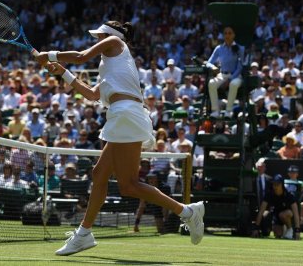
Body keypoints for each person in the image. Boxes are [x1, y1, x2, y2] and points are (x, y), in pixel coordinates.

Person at [36, 20, 204, 255]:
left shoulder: (116, 42)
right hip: (121, 115)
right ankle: (84, 233)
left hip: (126, 115)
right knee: (99, 174)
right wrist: (62, 71)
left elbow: (81, 56)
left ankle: (187, 212)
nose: (97, 39)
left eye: (99, 36)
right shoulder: (110, 68)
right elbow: (92, 94)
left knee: (129, 185)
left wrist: (49, 54)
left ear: (110, 36)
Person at [206, 26, 244, 118]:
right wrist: (213, 67)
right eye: (225, 33)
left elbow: (240, 67)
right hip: (222, 75)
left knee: (233, 84)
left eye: (230, 33)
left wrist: (230, 79)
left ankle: (228, 111)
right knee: (211, 83)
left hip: (236, 76)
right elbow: (208, 63)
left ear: (234, 35)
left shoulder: (240, 48)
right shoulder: (219, 48)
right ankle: (215, 111)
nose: (227, 35)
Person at [252, 174, 301, 240]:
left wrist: (297, 230)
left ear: (282, 185)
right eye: (274, 184)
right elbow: (261, 211)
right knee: (277, 234)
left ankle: (289, 229)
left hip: (289, 217)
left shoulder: (289, 195)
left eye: (278, 184)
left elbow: (296, 213)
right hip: (277, 215)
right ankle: (284, 229)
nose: (275, 186)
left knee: (284, 214)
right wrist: (256, 228)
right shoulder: (269, 194)